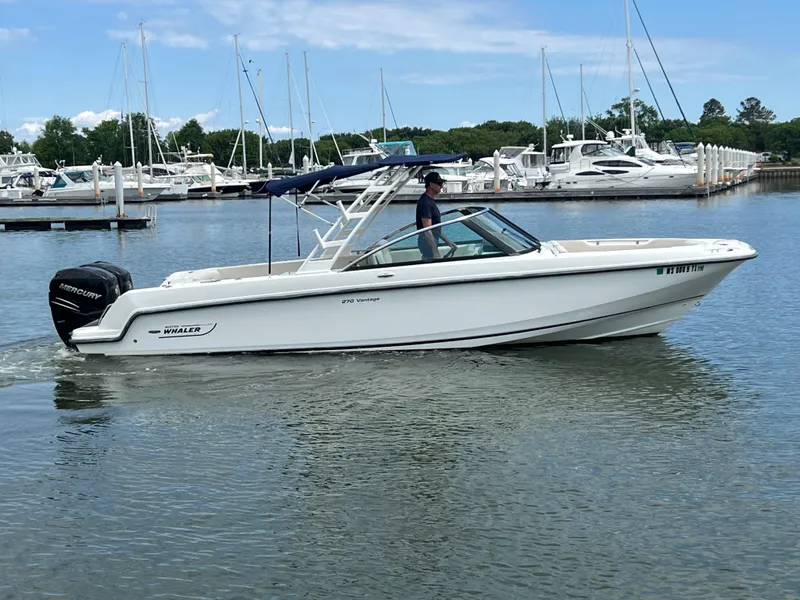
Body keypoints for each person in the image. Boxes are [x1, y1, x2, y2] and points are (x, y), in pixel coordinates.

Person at [416, 171, 456, 261]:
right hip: (427, 243)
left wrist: (448, 242)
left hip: (432, 241)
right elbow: (427, 230)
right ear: (431, 184)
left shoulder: (430, 201)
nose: (441, 186)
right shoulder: (425, 203)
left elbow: (436, 227)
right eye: (439, 183)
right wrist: (435, 251)